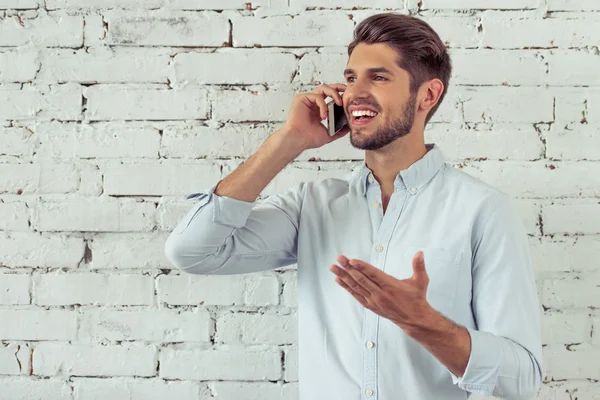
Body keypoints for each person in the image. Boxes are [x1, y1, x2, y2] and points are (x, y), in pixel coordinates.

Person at [165, 12, 542, 400]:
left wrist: (422, 322)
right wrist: (290, 139)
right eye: (350, 78)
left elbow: (522, 380)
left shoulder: (483, 210)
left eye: (378, 77)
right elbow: (192, 251)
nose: (354, 92)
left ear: (427, 95)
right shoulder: (313, 206)